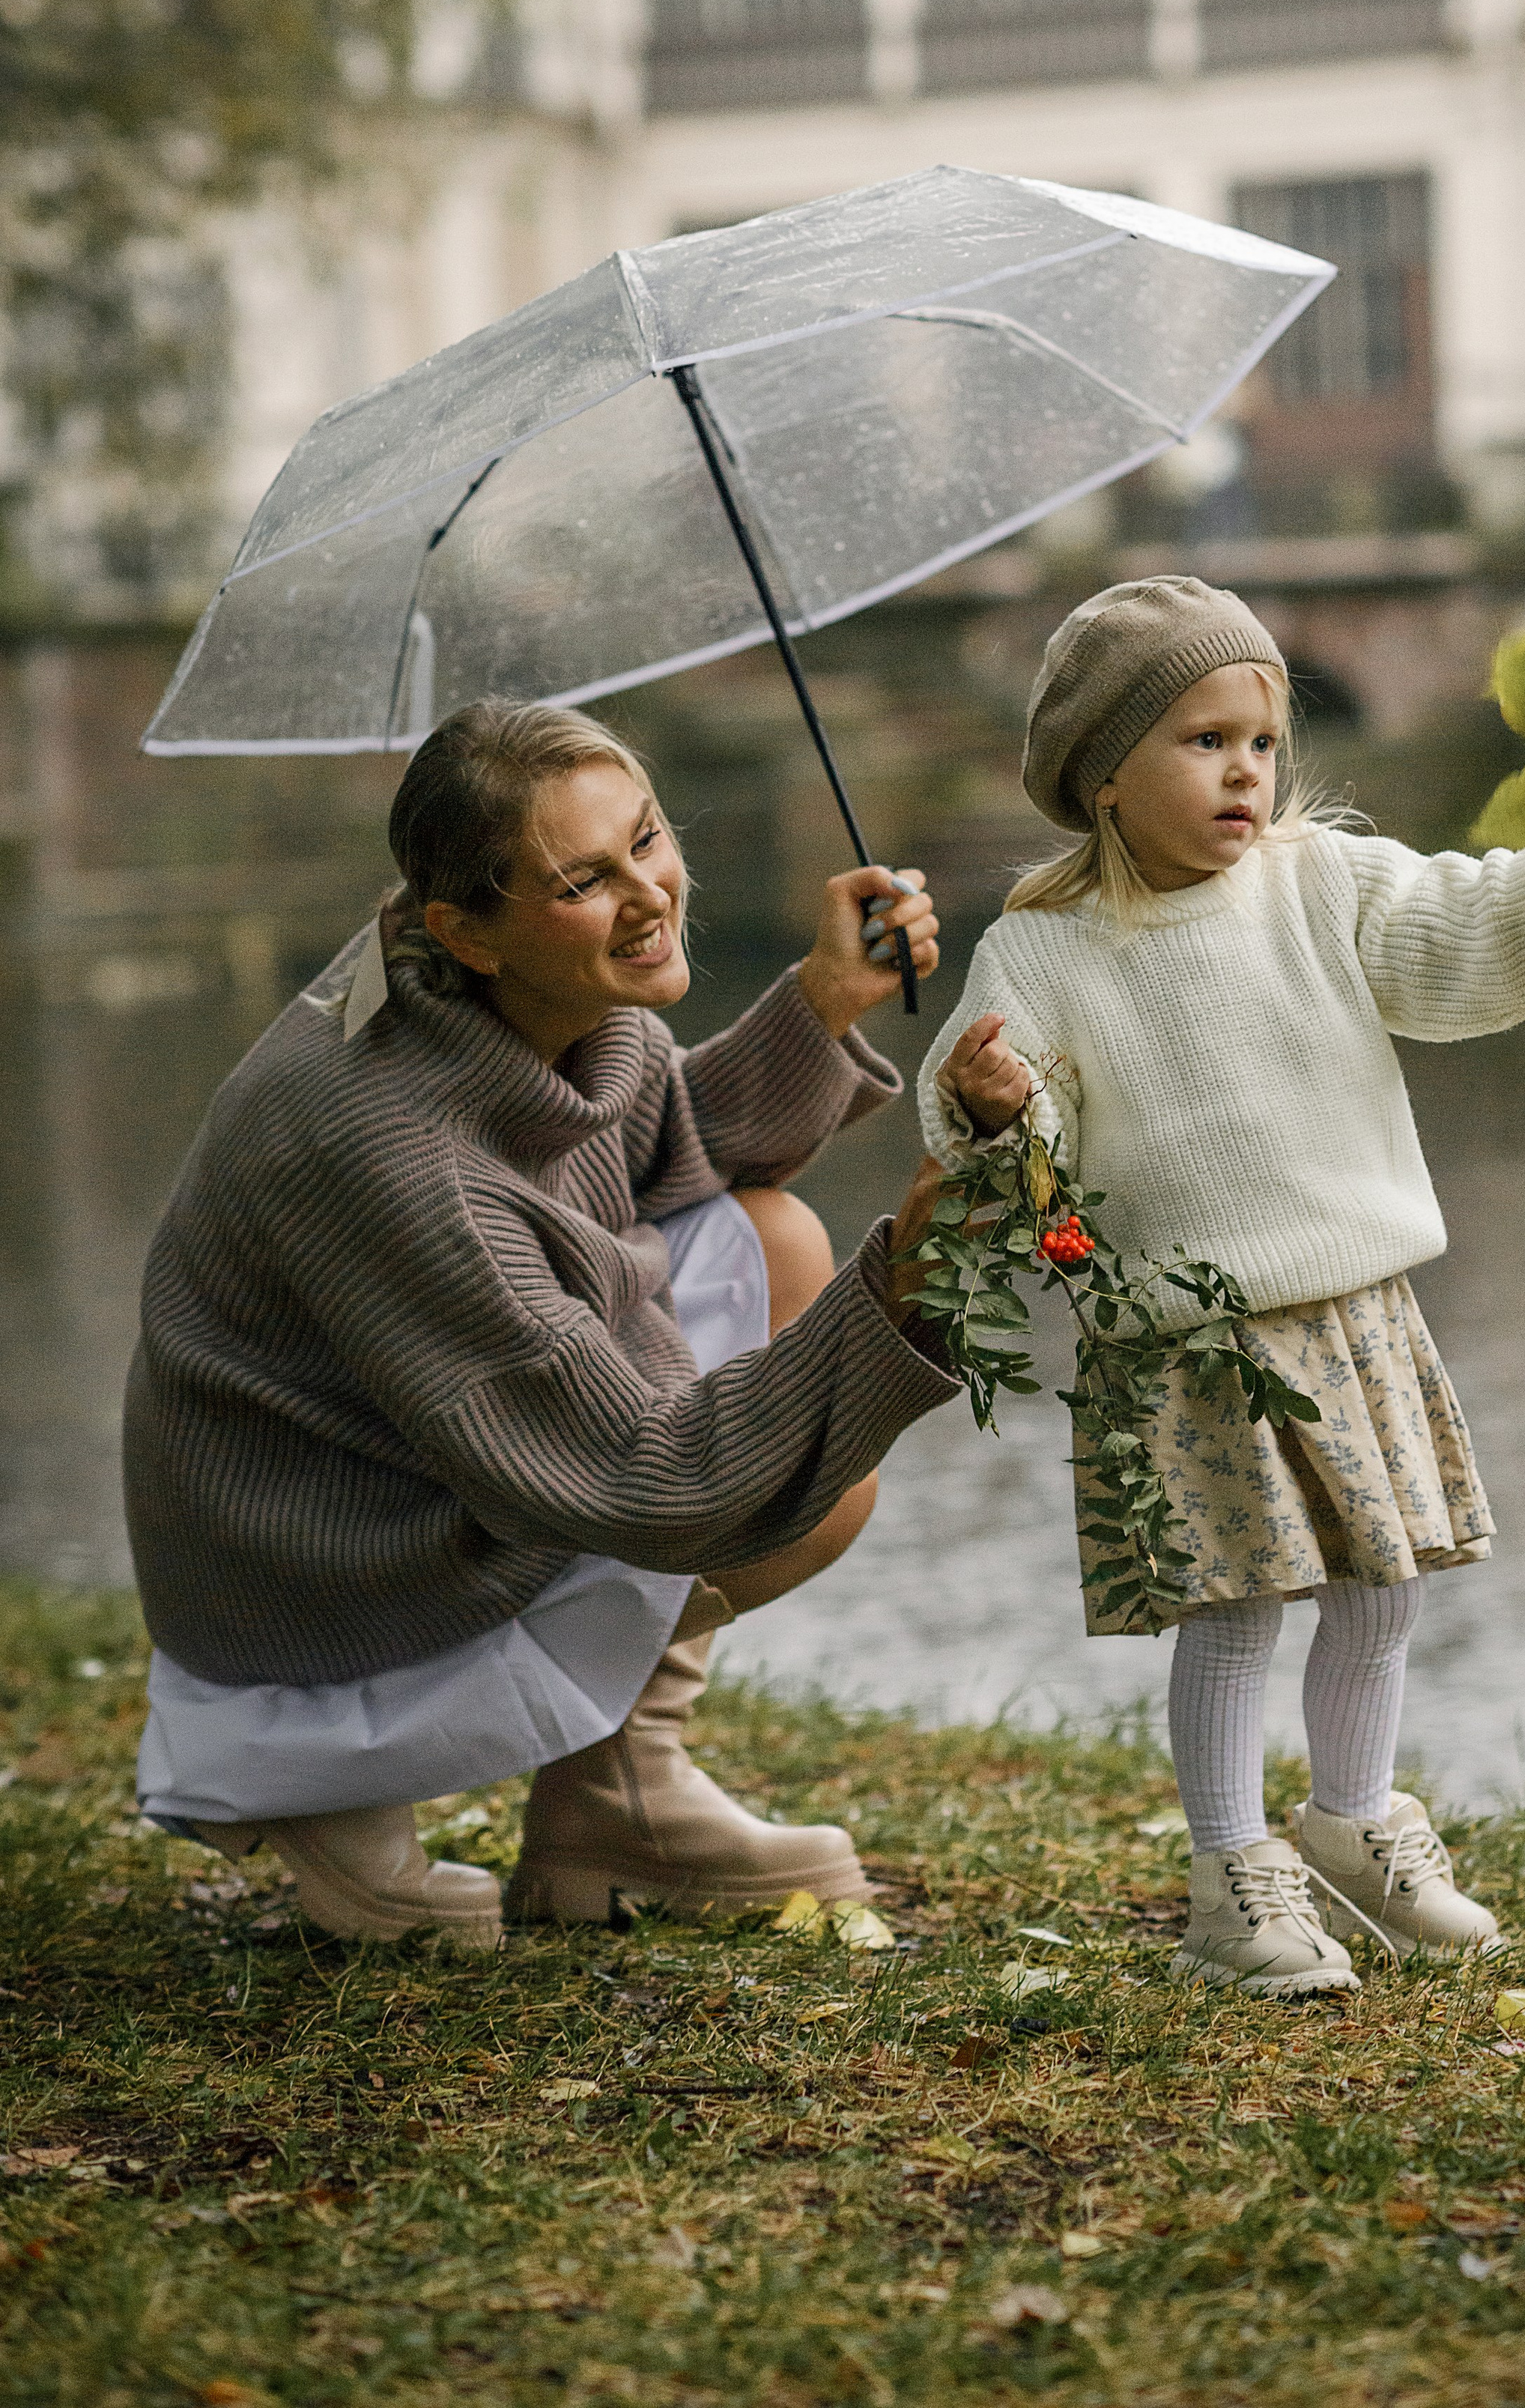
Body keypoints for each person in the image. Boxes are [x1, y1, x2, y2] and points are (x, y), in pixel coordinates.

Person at [919, 578, 1525, 1998]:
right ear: (1102, 778)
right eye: (1202, 741)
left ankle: (1352, 1817)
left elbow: (1469, 932)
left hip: (1354, 1303)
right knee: (1234, 1609)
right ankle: (1231, 1876)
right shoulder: (1044, 951)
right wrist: (992, 1106)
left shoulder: (1322, 882)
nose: (1246, 771)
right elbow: (1027, 1165)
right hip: (1184, 1333)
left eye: (1261, 739)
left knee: (1382, 1586)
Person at [126, 696, 956, 1949]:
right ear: (465, 926)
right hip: (313, 1559)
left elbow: (648, 1150)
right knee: (817, 1480)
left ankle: (616, 1796)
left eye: (648, 839)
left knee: (774, 1238)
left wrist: (823, 997)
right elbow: (652, 1480)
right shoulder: (400, 1151)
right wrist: (898, 1290)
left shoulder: (495, 983)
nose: (649, 894)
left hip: (415, 1441)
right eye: (585, 878)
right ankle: (334, 1790)